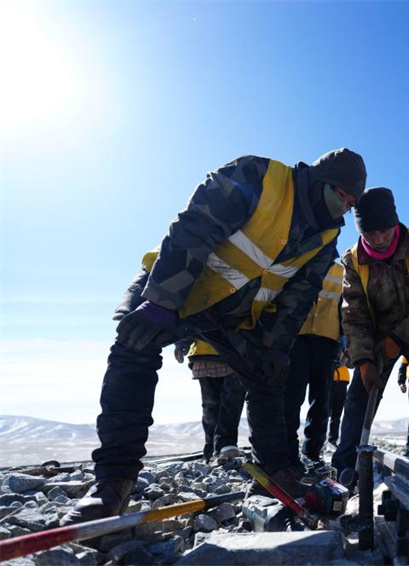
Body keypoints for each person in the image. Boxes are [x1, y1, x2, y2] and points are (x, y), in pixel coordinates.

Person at [61, 148, 367, 525]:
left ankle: (274, 472)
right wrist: (161, 300)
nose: (343, 206)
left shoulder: (324, 239)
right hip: (178, 285)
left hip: (238, 315)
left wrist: (275, 347)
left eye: (350, 203)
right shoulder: (259, 176)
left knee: (268, 378)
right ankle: (113, 481)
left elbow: (297, 298)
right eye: (341, 194)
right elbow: (194, 228)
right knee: (134, 347)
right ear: (319, 180)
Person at [331, 187, 409, 476]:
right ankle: (345, 467)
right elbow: (354, 313)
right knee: (359, 398)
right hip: (375, 337)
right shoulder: (352, 260)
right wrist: (363, 360)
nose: (377, 239)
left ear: (395, 223)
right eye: (369, 234)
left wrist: (399, 339)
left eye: (384, 231)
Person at [282, 262, 344, 471]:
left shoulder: (340, 272)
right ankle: (288, 452)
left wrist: (344, 341)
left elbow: (345, 308)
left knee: (321, 399)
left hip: (327, 339)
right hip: (297, 337)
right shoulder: (299, 262)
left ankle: (312, 451)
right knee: (292, 396)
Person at [175, 339, 246, 464]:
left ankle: (223, 445)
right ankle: (215, 448)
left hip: (234, 351)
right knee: (217, 404)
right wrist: (181, 341)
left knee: (224, 402)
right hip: (220, 350)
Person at [328, 356, 351, 446]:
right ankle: (317, 441)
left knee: (336, 414)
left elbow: (351, 364)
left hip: (342, 381)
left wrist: (346, 358)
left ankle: (333, 439)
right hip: (330, 380)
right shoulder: (330, 345)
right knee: (324, 412)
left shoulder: (345, 347)